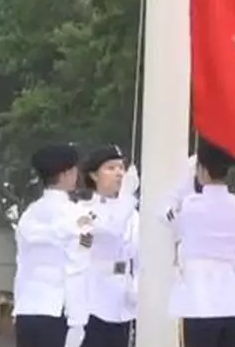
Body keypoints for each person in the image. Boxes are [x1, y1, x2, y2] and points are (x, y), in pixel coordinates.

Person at [166, 139, 235, 347]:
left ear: (201, 170)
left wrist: (186, 174)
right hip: (232, 303)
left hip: (199, 303)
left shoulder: (190, 207)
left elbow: (164, 212)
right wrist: (229, 273)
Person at [12, 143, 90, 347]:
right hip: (59, 310)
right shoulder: (81, 217)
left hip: (27, 309)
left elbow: (22, 265)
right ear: (66, 174)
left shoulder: (28, 215)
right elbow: (80, 265)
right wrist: (78, 320)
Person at [80, 144, 141, 347]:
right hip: (93, 300)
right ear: (94, 175)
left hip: (124, 300)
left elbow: (140, 257)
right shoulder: (84, 210)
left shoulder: (133, 215)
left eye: (121, 167)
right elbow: (107, 232)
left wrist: (137, 286)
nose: (119, 173)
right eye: (111, 168)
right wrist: (127, 199)